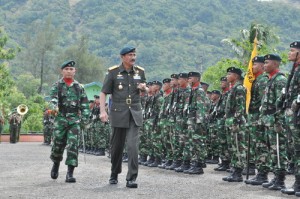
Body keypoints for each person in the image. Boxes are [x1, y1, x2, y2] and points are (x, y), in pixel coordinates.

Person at [100, 46, 147, 188]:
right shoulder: (113, 72)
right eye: (130, 55)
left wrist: (144, 89)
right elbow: (104, 93)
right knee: (116, 147)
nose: (133, 57)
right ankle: (114, 173)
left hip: (134, 112)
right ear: (122, 57)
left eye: (134, 54)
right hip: (118, 112)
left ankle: (131, 178)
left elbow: (144, 91)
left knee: (133, 146)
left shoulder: (140, 71)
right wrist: (103, 111)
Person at [49, 60, 90, 183]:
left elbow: (85, 105)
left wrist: (84, 120)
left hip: (74, 120)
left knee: (73, 145)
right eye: (66, 69)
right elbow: (53, 99)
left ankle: (70, 173)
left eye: (71, 69)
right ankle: (56, 163)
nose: (69, 71)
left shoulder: (79, 87)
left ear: (74, 71)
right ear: (62, 71)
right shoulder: (57, 86)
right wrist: (53, 107)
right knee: (58, 144)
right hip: (60, 118)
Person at [258, 54, 287, 190]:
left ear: (275, 64)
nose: (264, 65)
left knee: (278, 150)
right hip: (268, 120)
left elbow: (281, 104)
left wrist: (278, 121)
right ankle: (275, 177)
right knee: (271, 150)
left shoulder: (280, 80)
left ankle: (280, 180)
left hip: (276, 121)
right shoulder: (270, 79)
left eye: (267, 63)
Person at [244, 56, 269, 184]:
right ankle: (258, 171)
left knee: (261, 146)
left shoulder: (263, 80)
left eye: (254, 65)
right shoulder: (255, 80)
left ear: (260, 66)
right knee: (255, 146)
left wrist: (259, 118)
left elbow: (262, 102)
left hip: (258, 118)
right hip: (253, 117)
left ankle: (263, 174)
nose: (251, 68)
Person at [280, 41, 300, 196]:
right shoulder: (295, 69)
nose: (289, 53)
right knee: (294, 149)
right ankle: (297, 183)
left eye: (292, 50)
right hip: (291, 116)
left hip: (297, 115)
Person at [222, 67, 247, 183]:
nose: (227, 76)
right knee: (232, 147)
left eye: (229, 74)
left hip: (236, 122)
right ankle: (234, 170)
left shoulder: (239, 88)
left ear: (236, 76)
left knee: (238, 147)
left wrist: (236, 122)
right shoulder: (233, 88)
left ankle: (238, 172)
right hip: (230, 121)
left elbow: (240, 107)